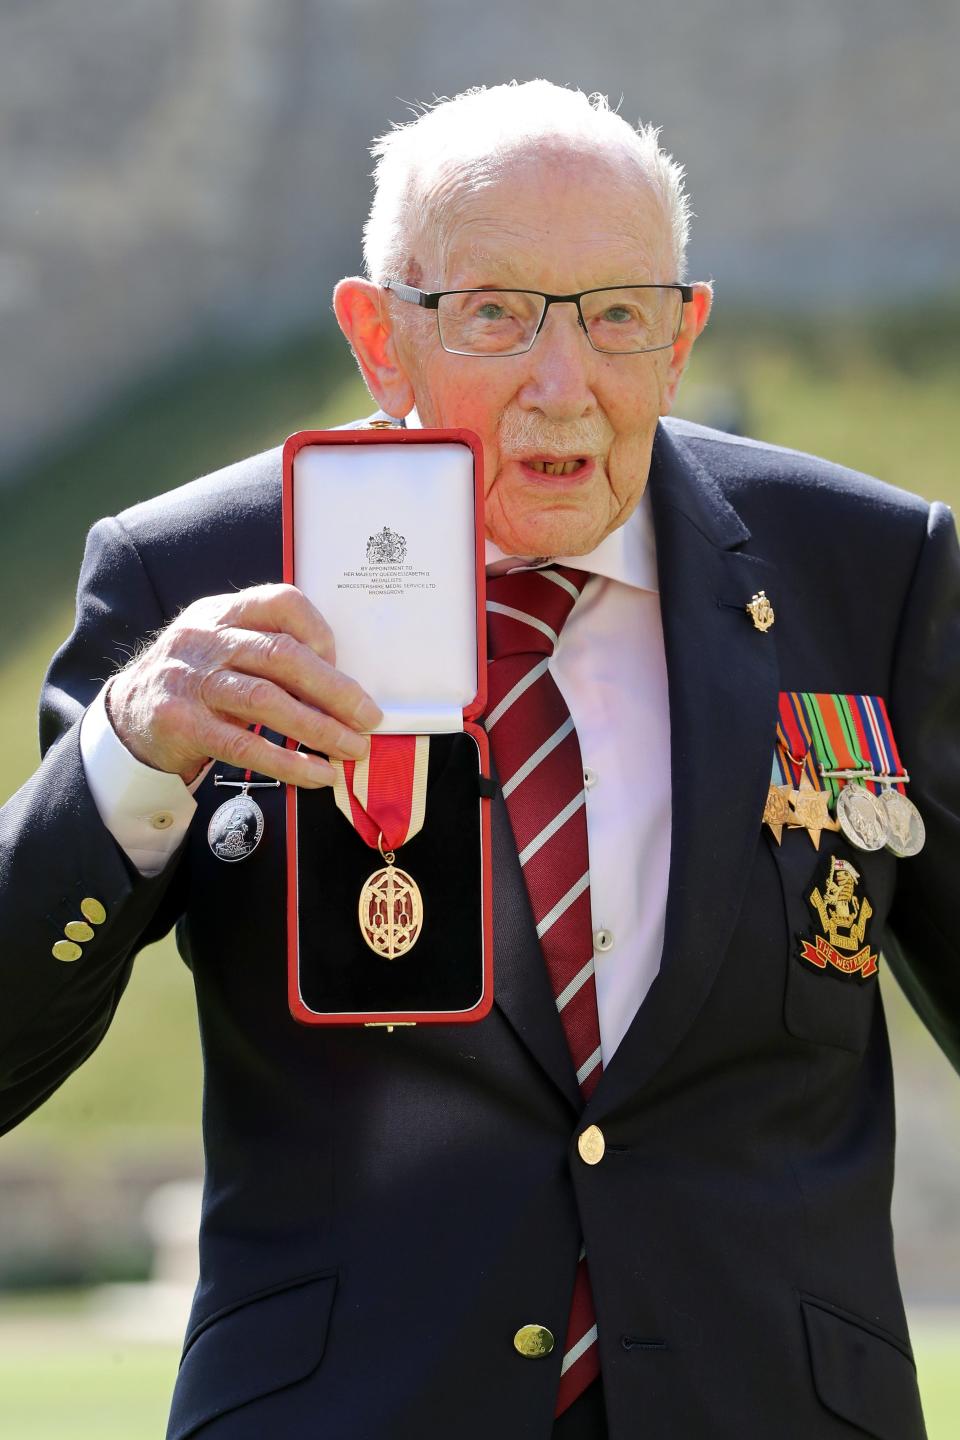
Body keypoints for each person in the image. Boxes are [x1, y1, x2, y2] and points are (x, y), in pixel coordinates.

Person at [1, 79, 957, 1440]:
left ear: (681, 338)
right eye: (496, 313)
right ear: (380, 336)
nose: (562, 385)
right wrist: (129, 755)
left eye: (616, 315)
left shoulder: (867, 571)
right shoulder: (193, 577)